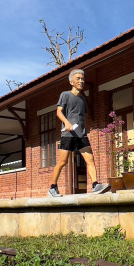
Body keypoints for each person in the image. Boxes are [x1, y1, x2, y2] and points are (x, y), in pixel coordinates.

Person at [48, 69, 110, 197]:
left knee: (90, 159)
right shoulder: (65, 95)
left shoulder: (82, 99)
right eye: (78, 78)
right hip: (67, 135)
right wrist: (66, 123)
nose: (81, 81)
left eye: (82, 79)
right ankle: (52, 187)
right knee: (63, 162)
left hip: (81, 134)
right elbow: (59, 112)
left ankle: (95, 185)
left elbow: (81, 117)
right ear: (71, 81)